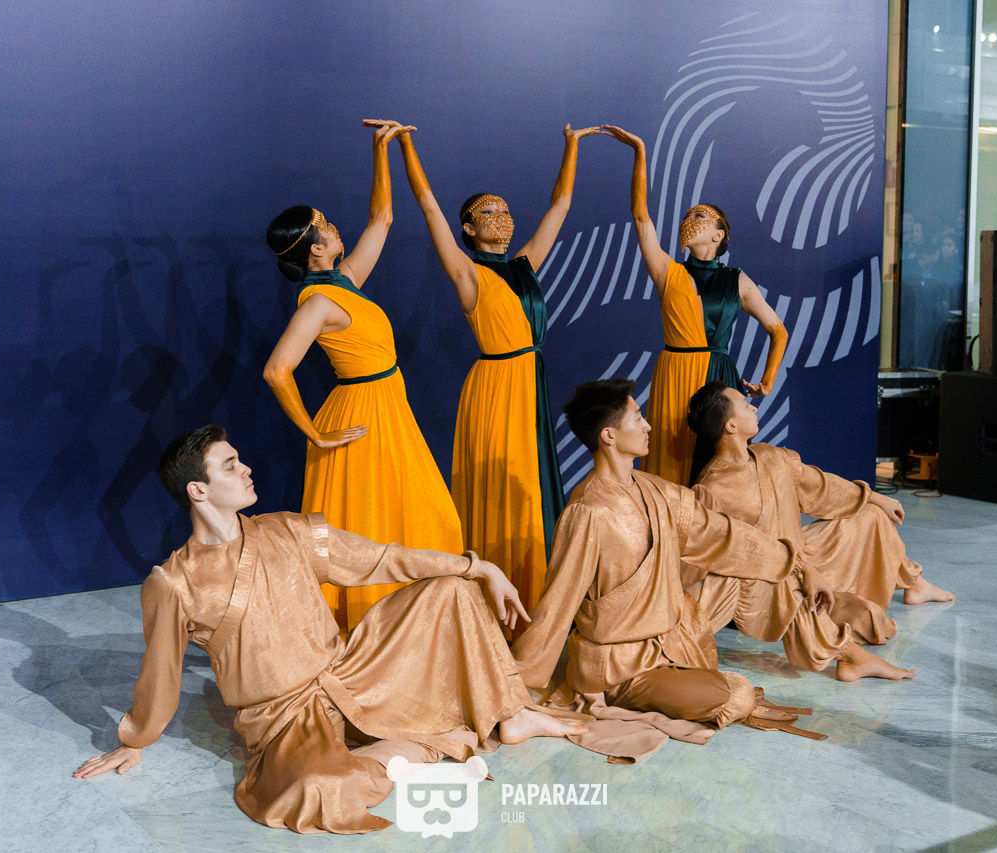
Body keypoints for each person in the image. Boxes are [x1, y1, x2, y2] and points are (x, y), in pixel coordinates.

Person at [73, 425, 585, 834]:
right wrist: (136, 740)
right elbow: (161, 673)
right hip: (284, 715)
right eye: (230, 465)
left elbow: (383, 559)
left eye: (239, 459)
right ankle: (420, 749)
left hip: (352, 673)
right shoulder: (172, 582)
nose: (246, 468)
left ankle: (513, 713)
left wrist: (477, 567)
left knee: (451, 590)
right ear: (198, 490)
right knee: (319, 789)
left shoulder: (289, 530)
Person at [510, 379, 831, 753]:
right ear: (609, 436)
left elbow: (723, 535)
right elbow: (557, 602)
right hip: (617, 669)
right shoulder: (587, 512)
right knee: (738, 695)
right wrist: (513, 687)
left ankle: (656, 696)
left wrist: (798, 566)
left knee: (728, 680)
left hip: (668, 648)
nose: (647, 425)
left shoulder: (657, 491)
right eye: (637, 417)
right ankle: (617, 702)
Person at [391, 122, 601, 613]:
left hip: (529, 382)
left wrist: (571, 147)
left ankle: (542, 594)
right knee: (507, 489)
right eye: (489, 212)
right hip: (497, 387)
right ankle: (496, 596)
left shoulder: (525, 263)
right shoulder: (468, 273)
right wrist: (405, 144)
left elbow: (560, 205)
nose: (502, 218)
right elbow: (428, 206)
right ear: (468, 228)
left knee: (532, 487)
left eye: (505, 211)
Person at [262, 120, 462, 630]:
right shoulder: (318, 302)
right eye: (325, 225)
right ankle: (372, 626)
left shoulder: (346, 280)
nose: (335, 228)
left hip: (388, 407)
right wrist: (313, 432)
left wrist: (381, 149)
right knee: (372, 517)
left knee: (421, 515)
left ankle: (411, 622)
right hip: (363, 417)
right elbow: (277, 370)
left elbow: (382, 217)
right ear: (315, 247)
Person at [682, 382, 952, 679]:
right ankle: (851, 656)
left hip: (805, 555)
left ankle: (914, 583)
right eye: (746, 406)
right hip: (765, 581)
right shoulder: (711, 488)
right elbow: (724, 558)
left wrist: (876, 497)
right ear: (731, 425)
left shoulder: (771, 456)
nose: (754, 408)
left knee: (870, 514)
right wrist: (801, 569)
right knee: (806, 592)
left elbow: (822, 487)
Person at [601, 125, 789, 487]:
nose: (690, 220)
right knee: (672, 462)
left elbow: (778, 330)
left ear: (719, 235)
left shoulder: (737, 280)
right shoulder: (666, 270)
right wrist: (640, 152)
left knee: (718, 470)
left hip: (718, 377)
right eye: (688, 215)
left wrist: (767, 382)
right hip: (673, 372)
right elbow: (640, 216)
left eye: (700, 216)